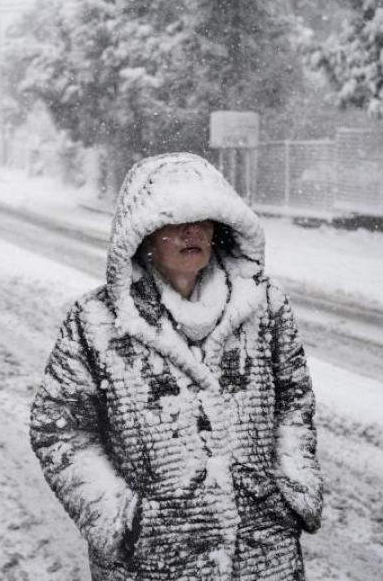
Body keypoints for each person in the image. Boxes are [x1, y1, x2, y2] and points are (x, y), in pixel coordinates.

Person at [29, 152, 323, 580]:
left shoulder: (266, 305)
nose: (192, 231)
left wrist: (293, 488)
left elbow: (294, 405)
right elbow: (59, 431)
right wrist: (122, 520)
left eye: (203, 218)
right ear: (143, 233)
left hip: (264, 555)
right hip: (151, 562)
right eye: (176, 220)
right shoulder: (95, 321)